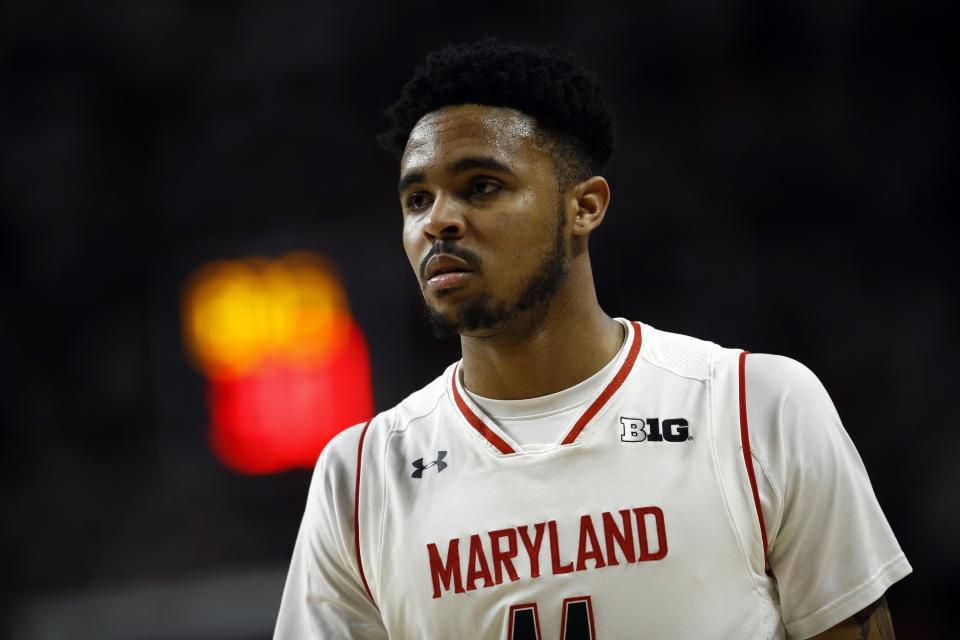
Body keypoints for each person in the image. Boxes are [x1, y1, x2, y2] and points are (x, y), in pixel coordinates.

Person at [274, 39, 911, 639]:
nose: (438, 220)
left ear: (585, 207)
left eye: (481, 187)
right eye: (417, 199)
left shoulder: (755, 405)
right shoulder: (358, 476)